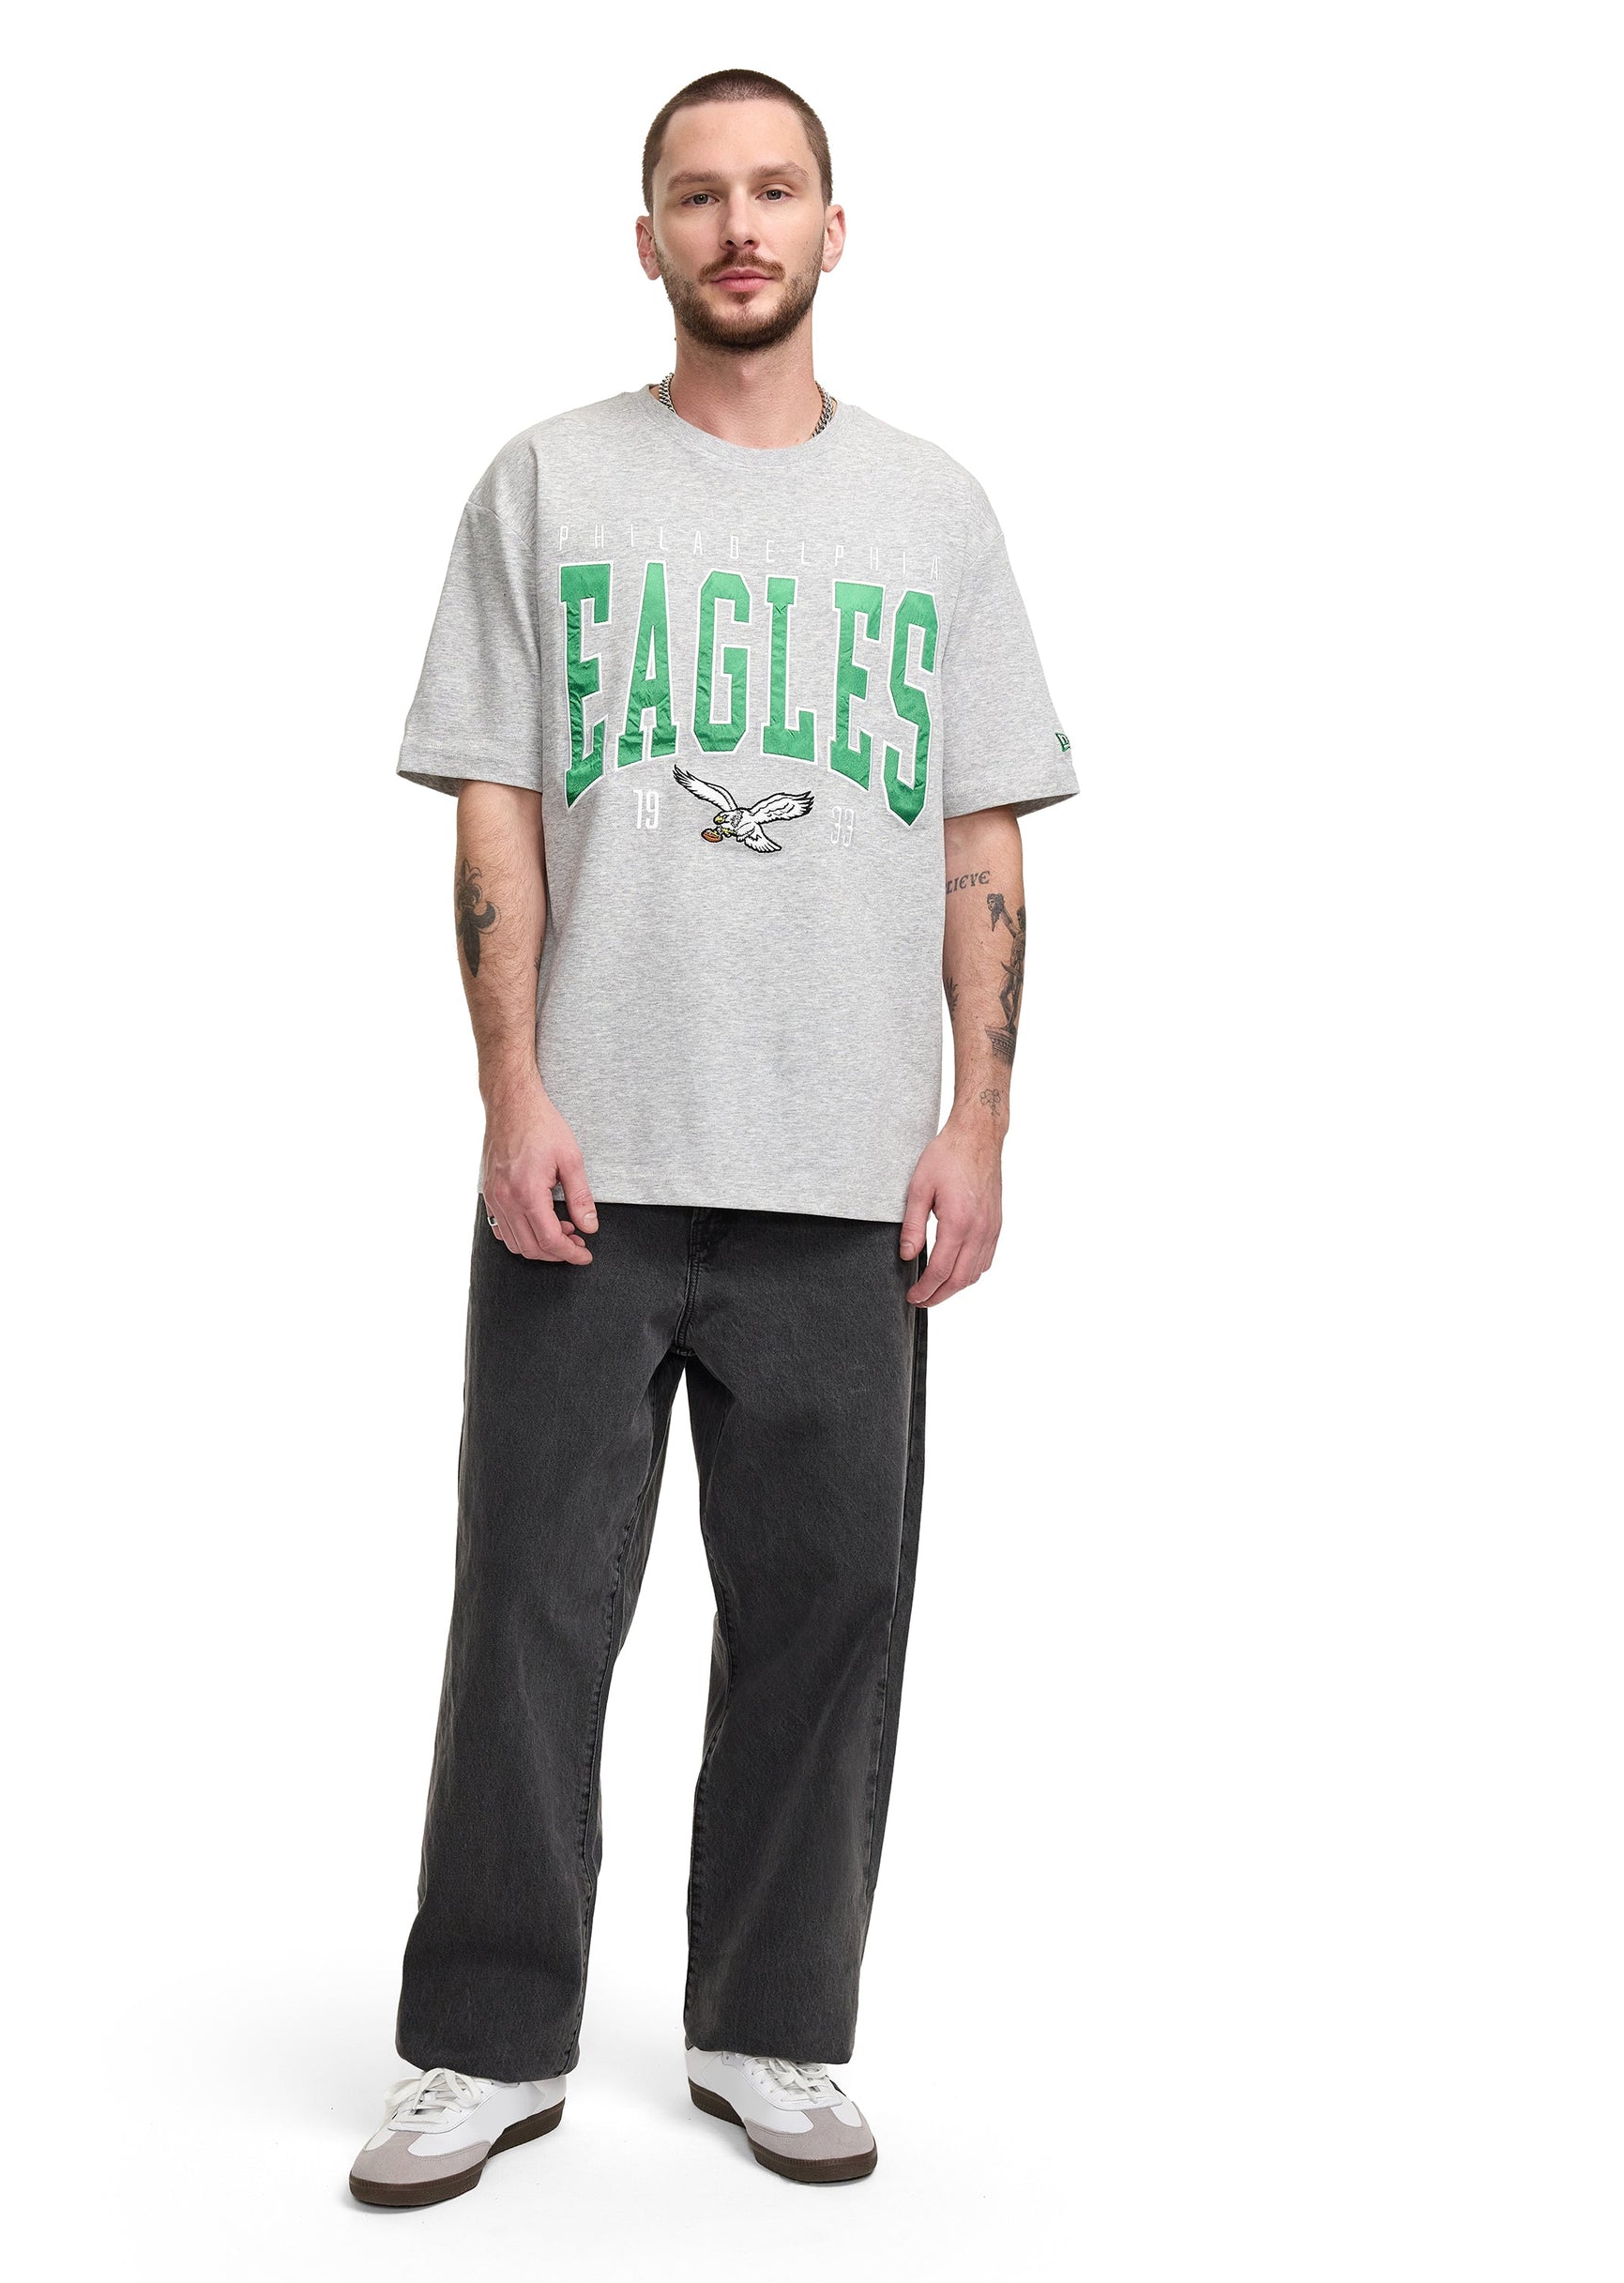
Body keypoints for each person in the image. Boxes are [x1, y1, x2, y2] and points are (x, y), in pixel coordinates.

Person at [350, 66, 1079, 2209]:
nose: (737, 226)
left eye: (773, 192)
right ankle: (483, 2042)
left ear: (834, 230)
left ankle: (769, 2017)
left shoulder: (933, 510)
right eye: (697, 195)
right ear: (647, 235)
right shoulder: (546, 483)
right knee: (526, 1609)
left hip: (847, 1175)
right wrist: (510, 1090)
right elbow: (494, 802)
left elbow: (981, 836)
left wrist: (981, 1119)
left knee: (829, 1608)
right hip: (587, 1162)